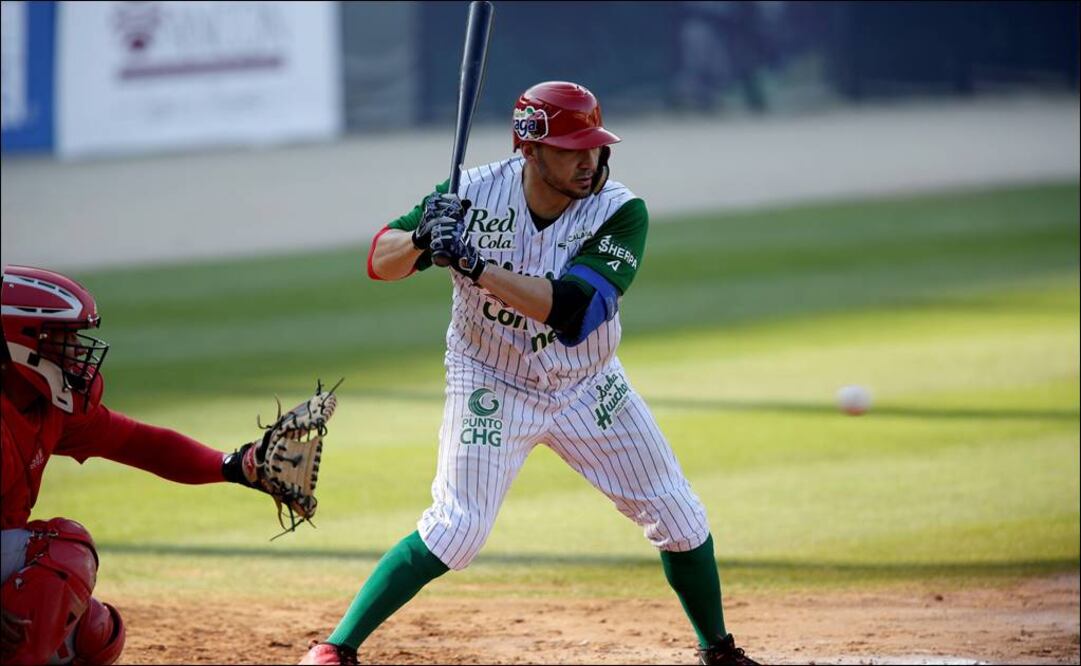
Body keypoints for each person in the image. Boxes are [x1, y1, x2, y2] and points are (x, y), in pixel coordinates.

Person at [300, 81, 758, 666]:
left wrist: (472, 262)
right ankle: (336, 649)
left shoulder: (620, 212)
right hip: (490, 379)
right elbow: (378, 261)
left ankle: (717, 651)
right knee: (455, 532)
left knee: (679, 516)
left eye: (593, 145)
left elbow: (572, 311)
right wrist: (420, 238)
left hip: (587, 384)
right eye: (571, 147)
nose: (588, 159)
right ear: (530, 149)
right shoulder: (472, 191)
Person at [0, 264, 319, 664]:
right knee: (66, 550)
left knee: (98, 634)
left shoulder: (47, 408)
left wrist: (237, 465)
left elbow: (140, 443)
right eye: (64, 341)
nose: (79, 353)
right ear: (20, 344)